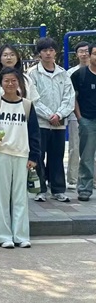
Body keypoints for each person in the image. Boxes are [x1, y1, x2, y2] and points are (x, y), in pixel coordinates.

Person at [0, 67, 40, 248]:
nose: (10, 84)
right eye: (6, 80)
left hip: (22, 155)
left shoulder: (27, 105)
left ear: (19, 83)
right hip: (0, 155)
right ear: (1, 83)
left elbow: (34, 134)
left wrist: (34, 157)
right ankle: (3, 236)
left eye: (14, 80)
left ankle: (21, 236)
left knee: (20, 198)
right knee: (0, 197)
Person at [27, 38, 75, 203]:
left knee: (57, 157)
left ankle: (58, 189)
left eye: (51, 50)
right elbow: (33, 99)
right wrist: (49, 115)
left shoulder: (63, 73)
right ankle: (40, 190)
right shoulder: (32, 73)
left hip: (59, 124)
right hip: (40, 123)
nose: (48, 53)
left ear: (55, 52)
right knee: (38, 156)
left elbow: (69, 97)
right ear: (39, 53)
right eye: (44, 50)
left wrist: (59, 115)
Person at [71, 44, 96, 202]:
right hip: (87, 120)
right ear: (90, 55)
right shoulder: (80, 75)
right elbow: (73, 97)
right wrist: (80, 117)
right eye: (95, 53)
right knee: (86, 157)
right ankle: (85, 189)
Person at [67, 41, 90, 190]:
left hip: (93, 115)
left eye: (87, 51)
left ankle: (92, 179)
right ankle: (73, 179)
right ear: (76, 54)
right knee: (75, 147)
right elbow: (70, 96)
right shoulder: (71, 73)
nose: (84, 54)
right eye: (81, 51)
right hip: (75, 115)